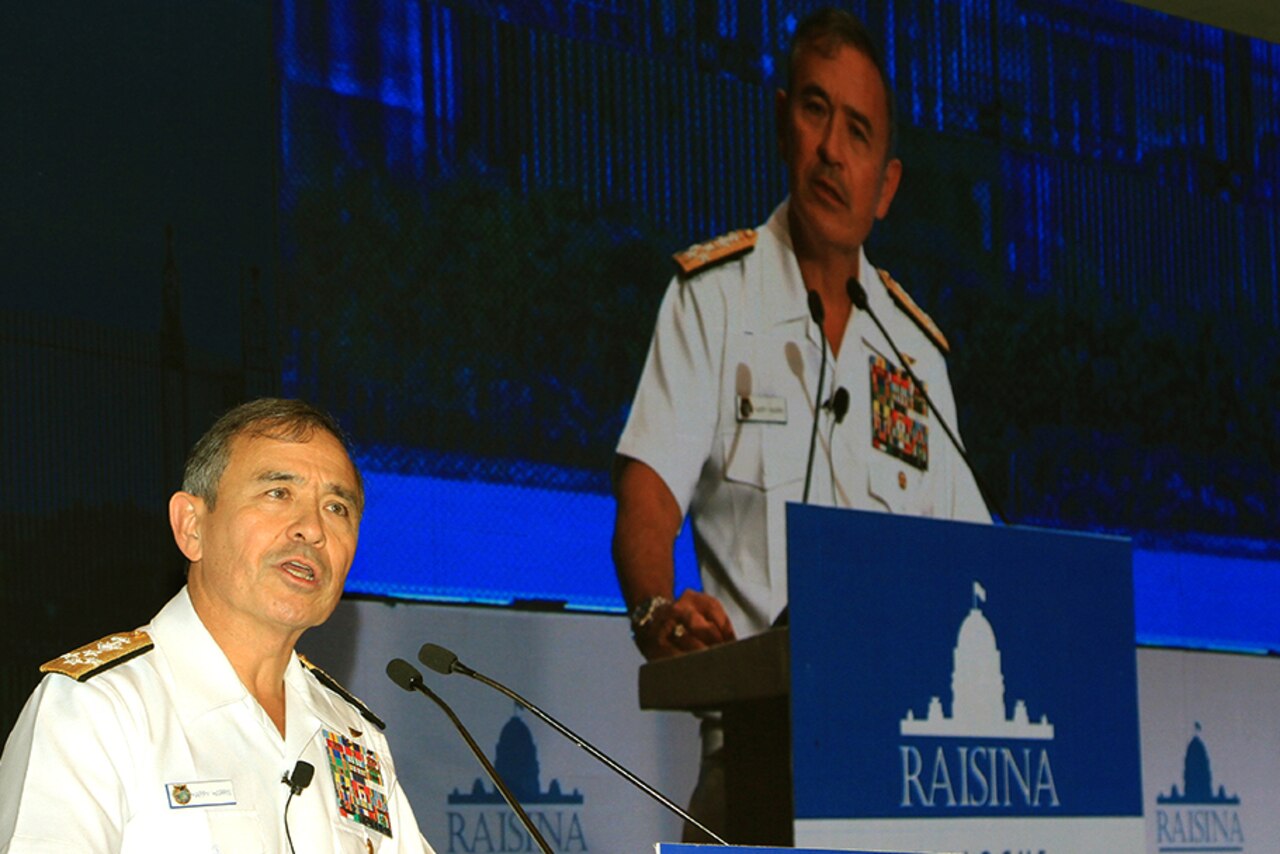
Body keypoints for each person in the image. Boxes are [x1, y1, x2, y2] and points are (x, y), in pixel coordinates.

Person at [612, 8, 991, 838]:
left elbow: (978, 562)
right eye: (816, 111)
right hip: (755, 774)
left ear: (886, 184)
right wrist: (656, 609)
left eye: (859, 130)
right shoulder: (712, 300)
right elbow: (646, 503)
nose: (833, 149)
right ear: (784, 119)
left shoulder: (917, 356)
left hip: (902, 779)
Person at [0, 398, 437, 853]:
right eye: (278, 493)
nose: (312, 528)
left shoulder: (352, 733)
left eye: (336, 508)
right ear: (191, 526)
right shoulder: (99, 708)